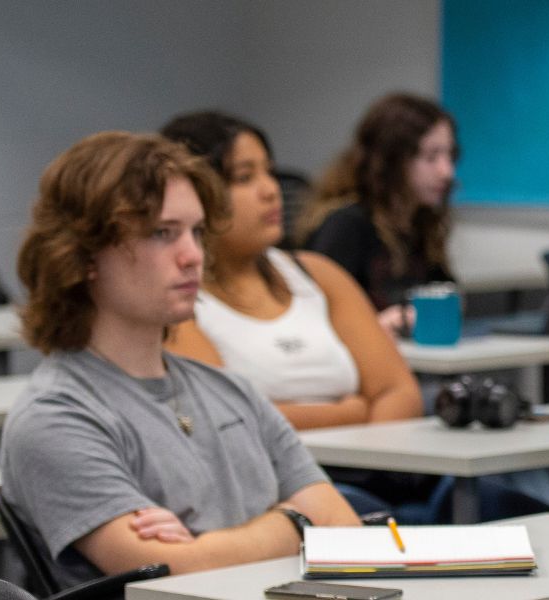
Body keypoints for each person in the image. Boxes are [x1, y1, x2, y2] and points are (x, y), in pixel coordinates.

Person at [1, 131, 361, 589]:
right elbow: (175, 577)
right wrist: (296, 523)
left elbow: (342, 526)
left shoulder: (231, 390)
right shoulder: (57, 418)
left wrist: (207, 546)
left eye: (195, 232)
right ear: (85, 254)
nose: (193, 256)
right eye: (162, 234)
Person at [159, 111, 423, 430]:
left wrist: (372, 460)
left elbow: (399, 392)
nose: (271, 190)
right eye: (244, 178)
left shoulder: (318, 274)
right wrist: (349, 414)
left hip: (372, 472)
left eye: (269, 172)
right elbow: (229, 420)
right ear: (195, 195)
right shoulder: (177, 296)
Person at [296, 93, 459, 336]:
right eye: (431, 157)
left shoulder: (420, 224)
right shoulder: (345, 225)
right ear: (393, 159)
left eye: (450, 156)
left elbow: (446, 295)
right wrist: (380, 326)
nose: (447, 172)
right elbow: (316, 321)